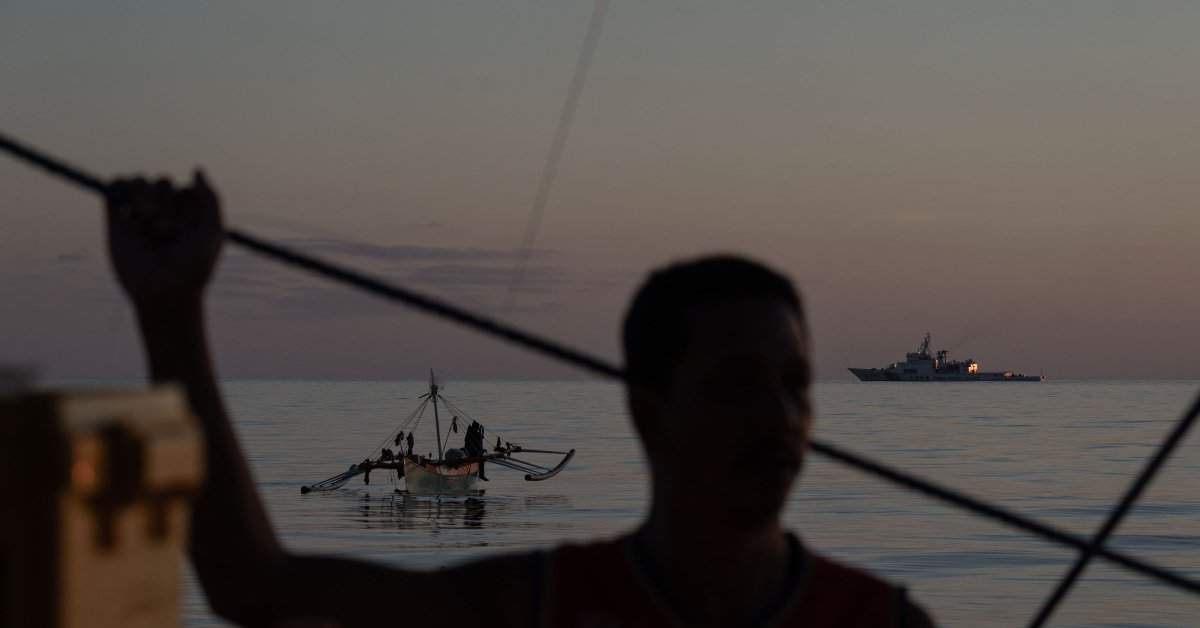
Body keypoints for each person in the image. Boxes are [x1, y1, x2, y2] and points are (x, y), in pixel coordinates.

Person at [106, 173, 935, 627]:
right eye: (736, 384)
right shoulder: (535, 608)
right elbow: (255, 588)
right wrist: (170, 316)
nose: (779, 416)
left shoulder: (881, 623)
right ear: (652, 411)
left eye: (795, 385)